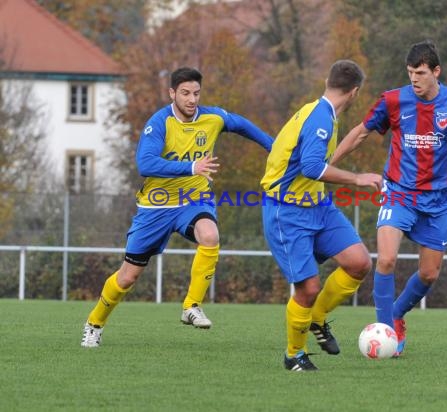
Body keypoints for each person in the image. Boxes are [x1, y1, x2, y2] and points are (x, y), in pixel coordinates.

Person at [332, 40, 447, 357]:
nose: (414, 78)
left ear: (436, 71)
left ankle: (397, 316)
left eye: (420, 72)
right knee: (386, 259)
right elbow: (361, 132)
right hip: (399, 192)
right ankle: (384, 332)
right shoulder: (393, 101)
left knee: (429, 274)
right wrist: (328, 164)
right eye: (410, 72)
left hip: (439, 201)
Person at [81, 67, 273, 348]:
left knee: (210, 235)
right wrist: (191, 166)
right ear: (172, 93)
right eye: (185, 93)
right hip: (155, 208)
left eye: (196, 93)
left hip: (194, 201)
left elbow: (241, 124)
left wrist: (273, 145)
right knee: (127, 278)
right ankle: (94, 323)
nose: (192, 99)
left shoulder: (212, 118)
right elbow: (146, 164)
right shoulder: (159, 123)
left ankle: (191, 306)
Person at [260, 60, 382, 371]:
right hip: (286, 211)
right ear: (354, 93)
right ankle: (294, 355)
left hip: (317, 205)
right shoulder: (320, 119)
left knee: (359, 262)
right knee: (308, 289)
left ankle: (318, 317)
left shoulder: (321, 112)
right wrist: (357, 179)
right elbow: (312, 167)